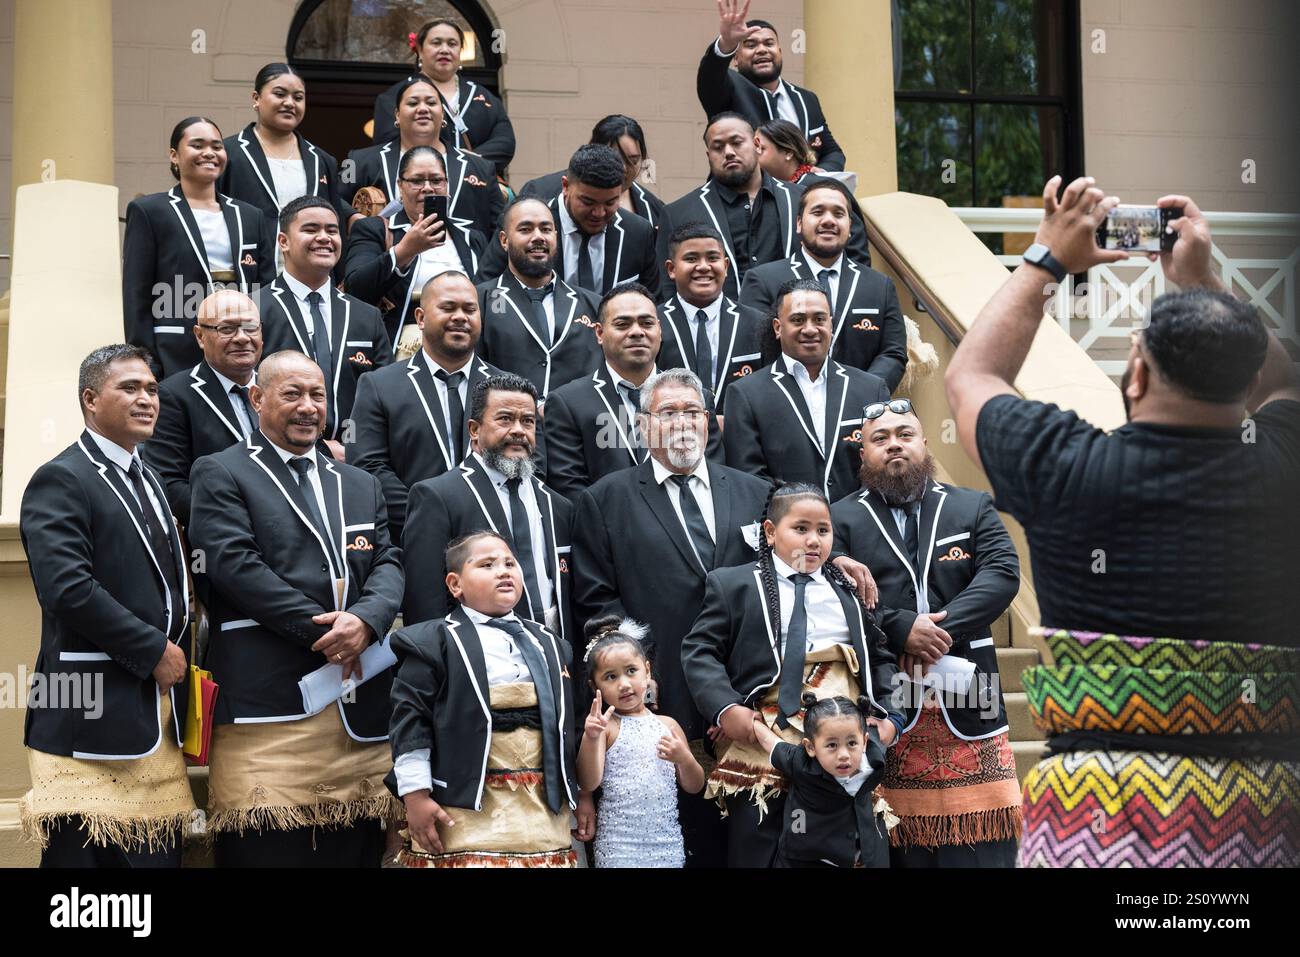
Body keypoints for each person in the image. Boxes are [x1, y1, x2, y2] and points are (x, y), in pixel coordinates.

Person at [945, 179, 1300, 867]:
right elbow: (1283, 385)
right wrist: (1200, 277)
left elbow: (972, 376)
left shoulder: (1063, 464)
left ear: (1135, 373)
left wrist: (1046, 258)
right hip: (1263, 818)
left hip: (1096, 817)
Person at [188, 351, 404, 867]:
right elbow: (235, 566)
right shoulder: (221, 471)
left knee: (356, 854)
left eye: (318, 396)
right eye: (292, 394)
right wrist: (329, 632)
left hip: (360, 715)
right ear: (257, 399)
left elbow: (389, 562)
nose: (309, 407)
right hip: (267, 712)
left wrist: (369, 621)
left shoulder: (360, 482)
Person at [571, 367, 770, 866]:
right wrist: (643, 686)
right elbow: (598, 604)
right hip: (661, 709)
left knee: (750, 846)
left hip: (750, 705)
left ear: (709, 421)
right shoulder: (604, 499)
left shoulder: (755, 493)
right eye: (667, 412)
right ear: (642, 426)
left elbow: (781, 587)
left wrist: (734, 700)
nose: (682, 422)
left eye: (692, 411)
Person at [19, 345, 194, 867]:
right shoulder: (62, 478)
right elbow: (66, 588)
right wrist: (153, 650)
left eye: (152, 390)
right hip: (88, 712)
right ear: (90, 399)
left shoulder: (151, 478)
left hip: (157, 717)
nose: (147, 399)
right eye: (130, 388)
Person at [831, 399, 1022, 867]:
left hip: (970, 699)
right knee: (901, 850)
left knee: (984, 851)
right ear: (863, 456)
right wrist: (899, 628)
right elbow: (833, 594)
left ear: (924, 444)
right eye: (880, 438)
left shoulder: (971, 506)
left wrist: (938, 630)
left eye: (904, 434)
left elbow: (1002, 573)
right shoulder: (839, 519)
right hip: (888, 704)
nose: (894, 443)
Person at [680, 482, 904, 867]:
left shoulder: (846, 590)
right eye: (800, 528)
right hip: (762, 737)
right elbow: (699, 652)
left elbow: (881, 657)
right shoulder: (734, 584)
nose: (813, 540)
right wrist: (725, 709)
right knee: (763, 843)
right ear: (770, 532)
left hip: (842, 741)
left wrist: (891, 719)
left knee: (847, 849)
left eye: (823, 530)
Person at [387, 531, 579, 867]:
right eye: (487, 565)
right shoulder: (433, 642)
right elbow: (411, 721)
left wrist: (582, 793)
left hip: (540, 804)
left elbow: (565, 727)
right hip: (465, 804)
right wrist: (415, 795)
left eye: (510, 563)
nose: (503, 571)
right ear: (455, 584)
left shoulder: (550, 643)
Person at [401, 374, 574, 650]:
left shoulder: (558, 505)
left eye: (527, 421)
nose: (518, 430)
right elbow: (425, 605)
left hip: (555, 660)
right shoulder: (438, 497)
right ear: (474, 429)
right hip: (477, 663)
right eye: (505, 419)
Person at [347, 270, 503, 547]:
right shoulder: (379, 386)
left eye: (470, 309)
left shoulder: (507, 389)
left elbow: (531, 464)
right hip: (412, 540)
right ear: (420, 318)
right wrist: (430, 516)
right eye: (447, 307)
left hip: (495, 539)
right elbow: (369, 466)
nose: (460, 316)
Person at [122, 116, 274, 379]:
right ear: (174, 155)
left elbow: (266, 290)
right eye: (198, 145)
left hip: (240, 347)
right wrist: (146, 362)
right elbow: (136, 295)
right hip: (174, 349)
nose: (209, 153)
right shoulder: (150, 211)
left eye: (217, 146)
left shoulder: (250, 215)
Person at [543, 282, 723, 502]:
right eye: (622, 324)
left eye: (646, 323)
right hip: (610, 529)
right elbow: (570, 488)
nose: (637, 332)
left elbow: (714, 476)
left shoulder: (696, 397)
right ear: (599, 332)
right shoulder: (568, 403)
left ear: (659, 329)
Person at [723, 278, 890, 499]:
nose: (810, 329)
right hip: (788, 526)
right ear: (777, 327)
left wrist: (852, 518)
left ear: (831, 325)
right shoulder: (745, 394)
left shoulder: (871, 388)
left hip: (861, 526)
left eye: (819, 319)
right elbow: (749, 479)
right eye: (798, 320)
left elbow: (883, 465)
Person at [741, 180, 906, 391]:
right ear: (799, 223)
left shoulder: (879, 285)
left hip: (859, 413)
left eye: (838, 214)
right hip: (786, 407)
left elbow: (893, 352)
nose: (828, 220)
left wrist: (862, 393)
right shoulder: (763, 280)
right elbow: (754, 351)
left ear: (850, 226)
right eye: (818, 212)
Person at [260, 195, 391, 459]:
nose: (324, 237)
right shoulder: (254, 309)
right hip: (277, 458)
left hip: (358, 462)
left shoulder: (366, 316)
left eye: (332, 230)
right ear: (283, 241)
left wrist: (359, 451)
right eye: (311, 229)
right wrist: (317, 449)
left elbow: (385, 397)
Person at [576, 615, 704, 868]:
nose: (624, 684)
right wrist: (591, 737)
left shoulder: (667, 726)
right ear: (594, 686)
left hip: (665, 843)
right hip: (618, 846)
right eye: (610, 677)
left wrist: (685, 759)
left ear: (647, 670)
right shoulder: (605, 728)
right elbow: (588, 781)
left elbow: (695, 786)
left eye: (631, 671)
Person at [344, 145, 486, 351]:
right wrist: (405, 251)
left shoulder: (471, 237)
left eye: (436, 180)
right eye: (417, 180)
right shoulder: (373, 229)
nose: (427, 188)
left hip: (464, 348)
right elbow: (355, 290)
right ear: (400, 186)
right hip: (398, 350)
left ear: (447, 185)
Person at [476, 145, 662, 299]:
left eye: (610, 203)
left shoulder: (638, 232)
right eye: (587, 202)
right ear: (565, 186)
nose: (599, 213)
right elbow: (487, 286)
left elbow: (653, 300)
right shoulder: (523, 225)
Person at [144, 289, 263, 526]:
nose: (242, 337)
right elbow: (169, 484)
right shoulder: (173, 396)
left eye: (251, 327)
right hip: (224, 535)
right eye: (227, 328)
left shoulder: (281, 389)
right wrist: (241, 519)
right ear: (200, 336)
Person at [343, 76, 501, 242]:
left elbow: (500, 228)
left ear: (443, 115)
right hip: (388, 263)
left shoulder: (481, 168)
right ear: (397, 115)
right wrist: (354, 218)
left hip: (464, 265)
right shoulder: (358, 160)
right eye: (413, 103)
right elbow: (334, 198)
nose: (423, 109)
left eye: (431, 103)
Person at [662, 112, 800, 302]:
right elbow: (667, 290)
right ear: (708, 155)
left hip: (792, 321)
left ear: (757, 145)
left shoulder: (800, 199)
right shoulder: (678, 213)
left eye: (736, 142)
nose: (728, 152)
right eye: (718, 147)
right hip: (717, 327)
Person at [475, 197, 603, 398]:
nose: (538, 237)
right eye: (525, 229)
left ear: (556, 236)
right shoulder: (479, 300)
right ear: (504, 240)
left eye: (545, 229)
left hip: (575, 425)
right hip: (508, 422)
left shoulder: (593, 304)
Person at [219, 63, 356, 247]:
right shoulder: (229, 153)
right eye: (280, 94)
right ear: (256, 98)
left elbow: (334, 222)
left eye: (298, 97)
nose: (290, 103)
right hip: (249, 266)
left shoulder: (322, 160)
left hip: (310, 269)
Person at [697, 0, 845, 171]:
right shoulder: (728, 86)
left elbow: (832, 152)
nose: (761, 49)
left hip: (800, 195)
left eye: (769, 43)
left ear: (780, 52)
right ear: (736, 58)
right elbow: (710, 76)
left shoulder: (806, 98)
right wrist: (726, 44)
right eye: (750, 45)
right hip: (748, 196)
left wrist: (820, 174)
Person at [751, 694, 890, 868]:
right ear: (810, 747)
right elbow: (771, 742)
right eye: (832, 745)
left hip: (860, 856)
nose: (844, 755)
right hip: (804, 858)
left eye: (852, 743)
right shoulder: (801, 763)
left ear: (864, 741)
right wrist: (752, 722)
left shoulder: (873, 760)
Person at [372, 18, 515, 176]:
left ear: (460, 51)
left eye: (452, 44)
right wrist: (440, 164)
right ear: (420, 50)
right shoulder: (393, 97)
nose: (445, 49)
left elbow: (505, 142)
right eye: (436, 43)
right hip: (420, 185)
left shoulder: (483, 96)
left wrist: (465, 161)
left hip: (474, 186)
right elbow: (388, 146)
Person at [655, 221, 766, 415]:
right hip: (671, 436)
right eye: (691, 259)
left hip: (739, 437)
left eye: (712, 258)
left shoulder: (757, 323)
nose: (704, 267)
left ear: (725, 265)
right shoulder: (653, 323)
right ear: (671, 269)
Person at [519, 115, 668, 233]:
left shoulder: (653, 208)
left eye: (633, 160)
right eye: (615, 158)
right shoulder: (540, 192)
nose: (623, 168)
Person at [755, 119, 820, 183]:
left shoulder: (815, 185)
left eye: (762, 148)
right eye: (754, 147)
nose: (754, 152)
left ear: (788, 153)